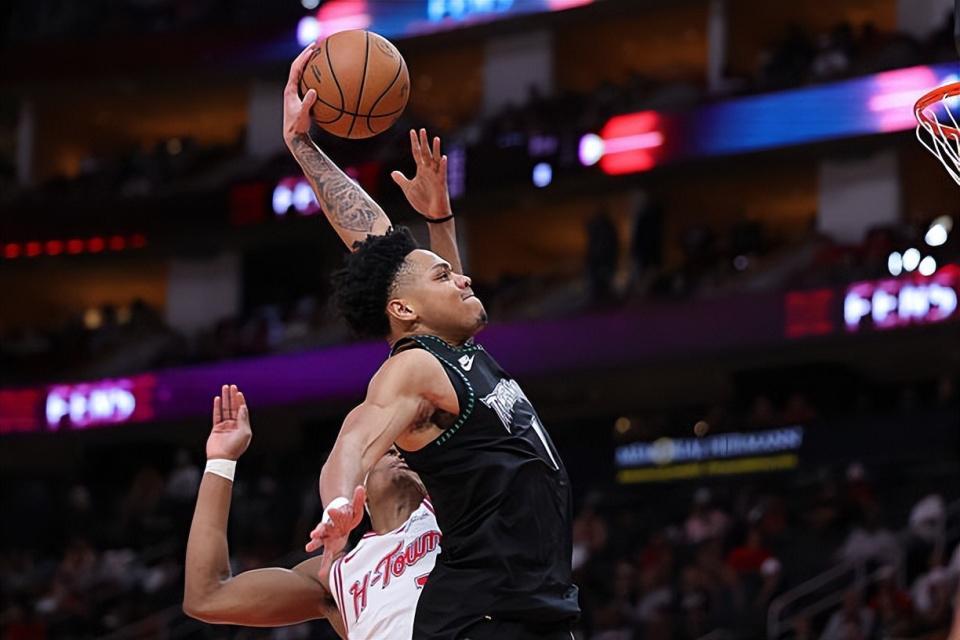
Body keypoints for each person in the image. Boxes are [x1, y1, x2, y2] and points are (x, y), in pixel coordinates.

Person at [283, 44, 580, 639]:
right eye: (445, 276)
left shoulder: (457, 352)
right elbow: (356, 437)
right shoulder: (414, 368)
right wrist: (340, 502)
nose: (462, 278)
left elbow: (380, 248)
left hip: (533, 611)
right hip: (480, 619)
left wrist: (438, 223)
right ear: (404, 311)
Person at [183, 385, 442, 640]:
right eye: (389, 450)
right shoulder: (337, 573)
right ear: (358, 486)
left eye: (410, 452)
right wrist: (221, 461)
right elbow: (207, 596)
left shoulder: (456, 517)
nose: (401, 454)